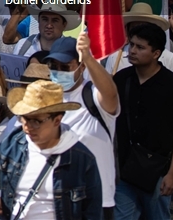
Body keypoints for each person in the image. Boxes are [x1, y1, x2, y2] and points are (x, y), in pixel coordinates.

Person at [0, 80, 102, 220]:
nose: (27, 126)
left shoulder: (82, 160)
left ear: (57, 120)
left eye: (36, 121)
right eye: (24, 118)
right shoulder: (13, 143)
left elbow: (92, 213)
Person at [112, 23, 173, 220]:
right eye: (131, 45)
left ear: (156, 53)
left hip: (158, 171)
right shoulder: (122, 79)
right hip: (125, 169)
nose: (132, 51)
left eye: (140, 47)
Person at [41, 33, 119, 217]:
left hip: (95, 203)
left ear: (81, 66)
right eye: (54, 67)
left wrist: (90, 58)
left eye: (65, 67)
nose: (59, 72)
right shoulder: (44, 101)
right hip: (57, 201)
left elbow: (111, 94)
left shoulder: (92, 96)